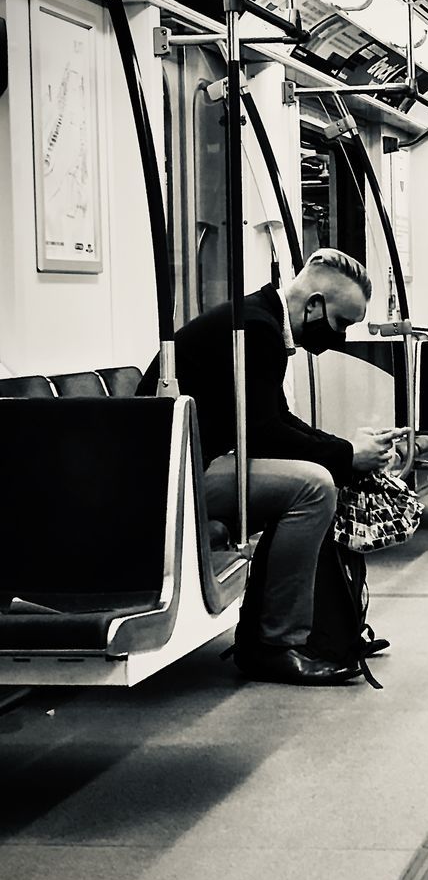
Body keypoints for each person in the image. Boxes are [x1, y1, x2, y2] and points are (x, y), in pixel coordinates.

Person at [138, 248, 401, 686]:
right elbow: (264, 432)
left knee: (318, 474)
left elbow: (276, 420)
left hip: (186, 468)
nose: (338, 337)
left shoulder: (257, 321)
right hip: (168, 481)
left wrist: (344, 450)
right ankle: (274, 644)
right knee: (314, 486)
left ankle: (320, 626)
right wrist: (344, 456)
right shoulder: (255, 330)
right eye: (340, 323)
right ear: (313, 304)